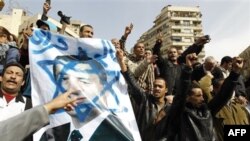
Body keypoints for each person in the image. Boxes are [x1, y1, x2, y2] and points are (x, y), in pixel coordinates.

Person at [40, 55, 134, 141]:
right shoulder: (50, 136)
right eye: (64, 79)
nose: (73, 89)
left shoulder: (120, 135)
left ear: (105, 89)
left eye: (84, 80)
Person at [165, 54, 244, 141]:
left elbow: (223, 95)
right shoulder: (179, 113)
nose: (202, 99)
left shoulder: (207, 111)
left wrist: (235, 72)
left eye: (202, 95)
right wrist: (187, 70)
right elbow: (180, 95)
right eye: (198, 96)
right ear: (187, 97)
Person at [117, 49, 170, 141]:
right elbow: (132, 82)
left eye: (160, 87)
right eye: (155, 86)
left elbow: (171, 130)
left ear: (166, 90)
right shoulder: (145, 99)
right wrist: (121, 61)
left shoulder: (170, 108)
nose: (157, 88)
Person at [0, 89, 81, 141]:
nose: (13, 76)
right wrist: (49, 107)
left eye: (18, 74)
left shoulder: (29, 103)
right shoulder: (49, 134)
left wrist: (48, 108)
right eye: (9, 72)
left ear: (23, 82)